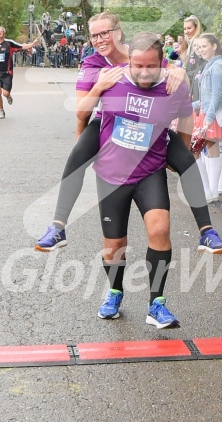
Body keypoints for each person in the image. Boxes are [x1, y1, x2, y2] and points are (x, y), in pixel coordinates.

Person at [34, 12, 222, 255]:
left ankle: (207, 231)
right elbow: (82, 113)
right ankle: (58, 226)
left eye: (104, 33)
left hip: (153, 125)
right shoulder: (93, 64)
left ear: (118, 32)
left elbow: (174, 84)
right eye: (94, 35)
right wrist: (99, 88)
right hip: (109, 120)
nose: (98, 40)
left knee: (186, 160)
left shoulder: (141, 52)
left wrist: (179, 72)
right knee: (76, 157)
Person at [75, 32, 194, 324]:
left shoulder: (171, 83)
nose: (143, 72)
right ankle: (114, 291)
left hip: (150, 171)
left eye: (150, 65)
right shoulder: (111, 80)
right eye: (137, 65)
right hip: (113, 175)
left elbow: (187, 117)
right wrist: (84, 146)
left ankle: (157, 303)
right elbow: (81, 113)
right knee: (115, 245)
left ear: (160, 62)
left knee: (160, 230)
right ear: (129, 61)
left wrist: (179, 150)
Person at [192, 33, 222, 203]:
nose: (201, 50)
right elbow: (206, 97)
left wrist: (209, 117)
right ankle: (209, 191)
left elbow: (216, 95)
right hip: (207, 111)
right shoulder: (209, 65)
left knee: (202, 149)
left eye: (204, 46)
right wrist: (190, 106)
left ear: (214, 46)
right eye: (198, 47)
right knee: (200, 150)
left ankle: (211, 191)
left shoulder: (217, 67)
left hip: (212, 113)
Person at [0, 26, 39, 119]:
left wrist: (33, 44)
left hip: (7, 73)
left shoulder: (9, 43)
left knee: (5, 93)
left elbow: (22, 46)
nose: (0, 32)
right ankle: (1, 110)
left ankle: (8, 97)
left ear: (4, 33)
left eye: (1, 31)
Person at [182, 15, 203, 85]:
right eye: (184, 29)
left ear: (196, 28)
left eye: (189, 28)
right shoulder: (191, 43)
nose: (186, 31)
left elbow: (200, 66)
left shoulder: (198, 43)